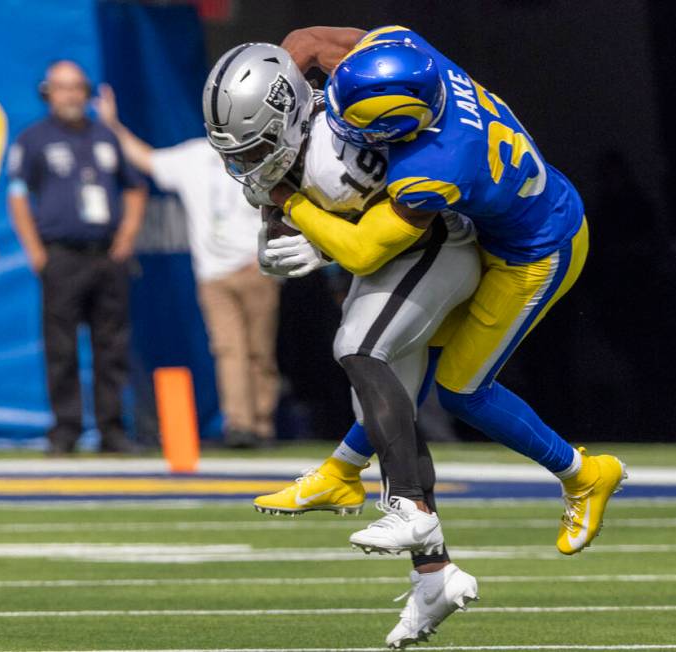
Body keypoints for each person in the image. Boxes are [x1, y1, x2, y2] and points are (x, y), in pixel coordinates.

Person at [264, 24, 625, 561]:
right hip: (493, 226)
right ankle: (341, 472)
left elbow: (364, 252)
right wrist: (280, 103)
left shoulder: (432, 169)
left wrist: (290, 201)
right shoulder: (403, 53)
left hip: (535, 252)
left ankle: (584, 473)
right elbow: (307, 41)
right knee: (404, 354)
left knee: (461, 388)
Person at [203, 43, 481, 644]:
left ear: (285, 116)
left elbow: (404, 222)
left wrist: (324, 243)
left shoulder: (343, 149)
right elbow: (279, 202)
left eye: (252, 146)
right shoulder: (282, 154)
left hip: (441, 248)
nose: (246, 163)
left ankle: (407, 505)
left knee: (358, 347)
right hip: (392, 259)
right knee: (382, 412)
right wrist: (276, 233)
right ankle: (434, 573)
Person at [95, 84, 280, 449]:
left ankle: (262, 422)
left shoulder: (259, 153)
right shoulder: (193, 157)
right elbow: (146, 159)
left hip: (256, 266)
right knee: (229, 349)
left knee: (260, 350)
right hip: (213, 274)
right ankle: (239, 425)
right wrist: (112, 125)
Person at [8, 61, 148, 455]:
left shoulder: (105, 136)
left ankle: (112, 429)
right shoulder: (34, 139)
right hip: (62, 255)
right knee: (61, 348)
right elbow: (18, 194)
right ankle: (65, 429)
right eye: (61, 88)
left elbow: (135, 188)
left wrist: (128, 235)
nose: (69, 95)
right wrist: (36, 252)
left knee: (111, 346)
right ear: (48, 92)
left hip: (105, 254)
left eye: (76, 88)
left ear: (86, 92)